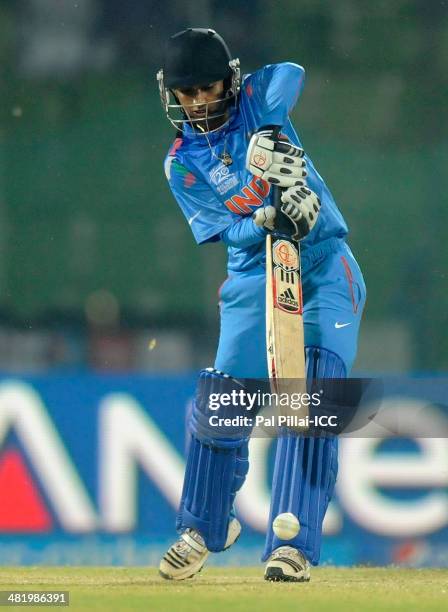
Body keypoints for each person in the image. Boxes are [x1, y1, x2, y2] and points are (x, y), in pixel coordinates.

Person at [156, 28, 366, 582]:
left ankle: (291, 542)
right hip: (254, 276)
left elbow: (292, 70)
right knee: (224, 399)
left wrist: (269, 136)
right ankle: (204, 526)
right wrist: (266, 219)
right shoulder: (182, 163)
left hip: (322, 265)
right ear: (170, 94)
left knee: (312, 392)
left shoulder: (256, 100)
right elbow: (227, 233)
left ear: (230, 79)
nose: (198, 101)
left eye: (208, 86)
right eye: (186, 92)